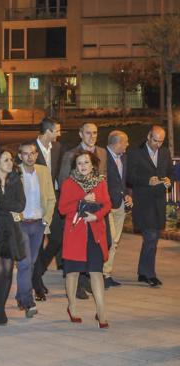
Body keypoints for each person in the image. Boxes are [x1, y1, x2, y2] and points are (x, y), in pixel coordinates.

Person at [58, 151, 111, 328]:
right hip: (75, 234)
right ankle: (72, 305)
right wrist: (82, 199)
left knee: (96, 272)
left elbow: (107, 205)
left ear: (92, 165)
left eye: (86, 163)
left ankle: (101, 311)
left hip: (94, 233)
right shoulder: (68, 183)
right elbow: (63, 209)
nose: (83, 166)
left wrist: (96, 216)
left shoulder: (100, 182)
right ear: (75, 166)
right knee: (72, 272)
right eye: (79, 163)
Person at [58, 122, 108, 300]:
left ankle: (89, 278)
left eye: (95, 133)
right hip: (77, 216)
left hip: (97, 211)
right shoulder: (70, 154)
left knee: (105, 243)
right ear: (81, 134)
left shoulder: (102, 152)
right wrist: (79, 200)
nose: (92, 136)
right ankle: (79, 284)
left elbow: (105, 178)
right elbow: (64, 181)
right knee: (77, 253)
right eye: (88, 133)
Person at [127, 125, 173, 287]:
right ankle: (149, 274)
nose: (158, 144)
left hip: (159, 201)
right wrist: (147, 180)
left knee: (152, 239)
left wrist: (168, 180)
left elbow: (170, 172)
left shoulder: (165, 152)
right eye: (155, 140)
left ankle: (142, 272)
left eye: (161, 141)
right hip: (143, 202)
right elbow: (130, 177)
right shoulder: (135, 153)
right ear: (148, 136)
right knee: (151, 237)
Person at [0, 149, 26, 326]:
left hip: (10, 228)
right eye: (6, 160)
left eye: (11, 159)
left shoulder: (15, 180)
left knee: (8, 269)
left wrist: (0, 203)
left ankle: (1, 307)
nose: (10, 162)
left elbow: (20, 205)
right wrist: (1, 206)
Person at [16, 142, 55, 318]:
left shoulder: (43, 171)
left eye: (32, 153)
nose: (30, 157)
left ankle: (20, 295)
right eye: (26, 154)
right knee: (24, 263)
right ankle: (27, 301)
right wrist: (16, 217)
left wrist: (47, 221)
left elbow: (51, 198)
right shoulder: (15, 172)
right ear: (20, 156)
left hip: (39, 224)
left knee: (31, 263)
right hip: (22, 224)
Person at [32, 117, 63, 301]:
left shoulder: (58, 148)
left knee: (57, 239)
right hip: (35, 203)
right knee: (36, 244)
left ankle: (38, 271)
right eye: (57, 130)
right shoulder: (31, 149)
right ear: (49, 132)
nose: (59, 134)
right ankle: (37, 284)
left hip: (53, 202)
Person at [104, 131, 132, 288]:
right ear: (117, 143)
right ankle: (100, 273)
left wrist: (128, 194)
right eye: (125, 142)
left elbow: (124, 181)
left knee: (114, 241)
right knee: (109, 239)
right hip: (107, 205)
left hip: (120, 204)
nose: (127, 145)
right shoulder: (102, 156)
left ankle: (107, 273)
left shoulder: (123, 157)